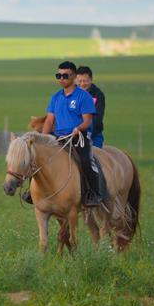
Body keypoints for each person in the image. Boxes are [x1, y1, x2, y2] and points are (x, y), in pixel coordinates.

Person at [23, 61, 102, 207]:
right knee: (37, 157)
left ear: (73, 77)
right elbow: (49, 121)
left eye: (65, 75)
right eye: (58, 75)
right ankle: (32, 192)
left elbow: (87, 121)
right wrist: (43, 138)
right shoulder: (55, 97)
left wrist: (78, 128)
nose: (61, 78)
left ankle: (93, 193)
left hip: (79, 137)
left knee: (85, 161)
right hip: (59, 137)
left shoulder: (83, 96)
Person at [75, 66, 105, 148]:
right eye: (79, 81)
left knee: (92, 158)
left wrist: (85, 131)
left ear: (91, 79)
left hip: (93, 135)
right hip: (73, 134)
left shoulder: (98, 95)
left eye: (85, 81)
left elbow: (97, 118)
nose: (82, 84)